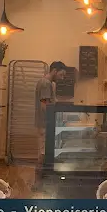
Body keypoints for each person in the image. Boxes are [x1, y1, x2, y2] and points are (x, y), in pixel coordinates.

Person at [34, 61, 68, 190]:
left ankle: (43, 182)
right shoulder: (45, 83)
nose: (62, 78)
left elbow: (49, 102)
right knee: (42, 154)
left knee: (46, 153)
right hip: (44, 124)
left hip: (45, 124)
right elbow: (45, 106)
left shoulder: (48, 84)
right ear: (54, 70)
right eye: (61, 74)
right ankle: (37, 183)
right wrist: (55, 120)